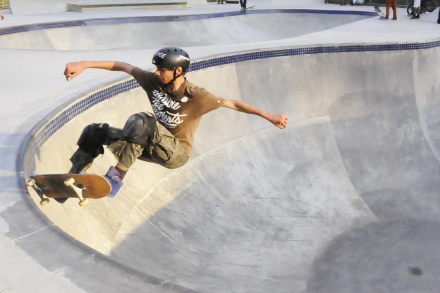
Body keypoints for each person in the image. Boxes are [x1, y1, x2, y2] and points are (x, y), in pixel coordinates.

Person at [62, 48, 289, 197]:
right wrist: (85, 64)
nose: (157, 73)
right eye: (156, 69)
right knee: (96, 131)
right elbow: (123, 65)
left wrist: (269, 116)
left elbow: (235, 104)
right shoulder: (152, 81)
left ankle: (116, 178)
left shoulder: (197, 95)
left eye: (162, 70)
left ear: (178, 71)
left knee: (144, 121)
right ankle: (70, 177)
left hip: (176, 153)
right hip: (147, 146)